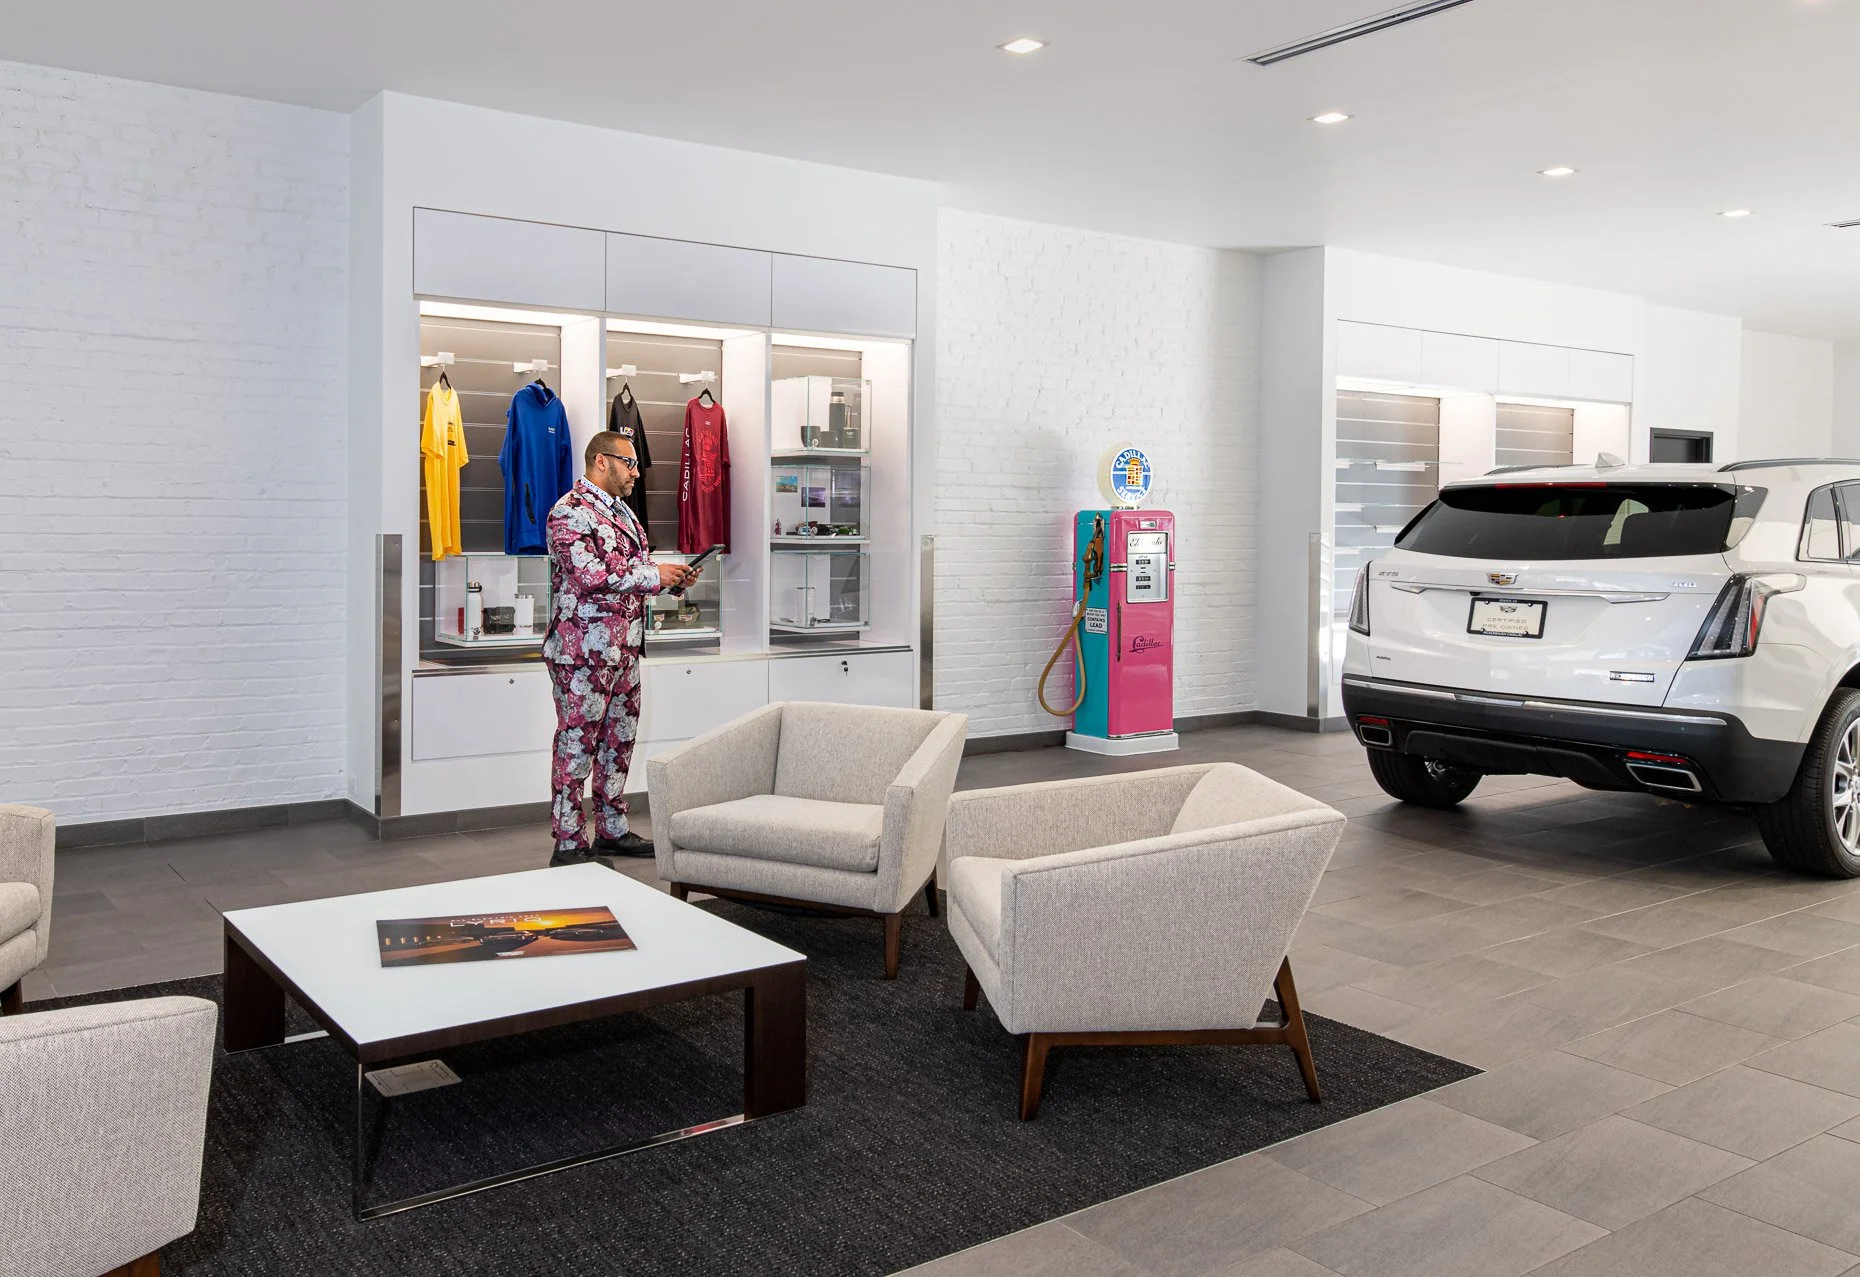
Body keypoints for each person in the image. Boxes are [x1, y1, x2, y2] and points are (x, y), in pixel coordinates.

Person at [543, 431, 699, 867]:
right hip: (582, 655)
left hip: (625, 651)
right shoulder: (568, 513)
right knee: (577, 744)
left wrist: (671, 581)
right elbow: (591, 576)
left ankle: (611, 829)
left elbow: (632, 572)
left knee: (619, 742)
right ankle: (570, 840)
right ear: (601, 463)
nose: (636, 473)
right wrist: (655, 575)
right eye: (629, 464)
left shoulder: (624, 515)